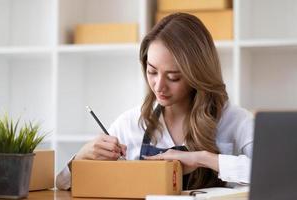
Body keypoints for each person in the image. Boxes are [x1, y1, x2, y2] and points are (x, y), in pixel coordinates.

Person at [56, 13, 253, 190]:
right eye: (152, 71)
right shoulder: (130, 124)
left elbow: (277, 172)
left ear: (197, 74)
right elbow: (62, 184)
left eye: (173, 77)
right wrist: (81, 157)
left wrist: (202, 158)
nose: (159, 86)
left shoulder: (235, 120)